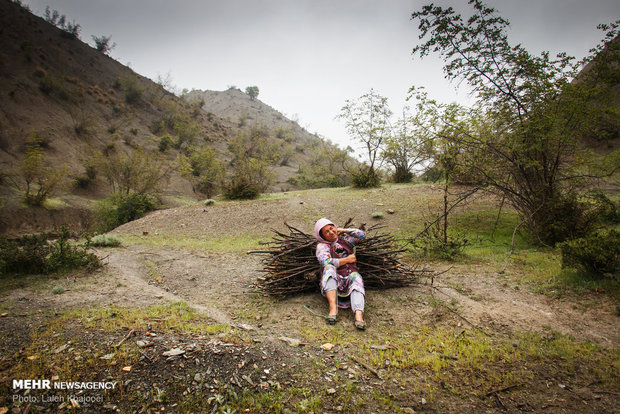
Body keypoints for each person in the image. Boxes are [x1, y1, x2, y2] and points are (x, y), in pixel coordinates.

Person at [314, 218, 366, 330]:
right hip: (334, 280)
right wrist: (346, 260)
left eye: (331, 228)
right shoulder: (322, 246)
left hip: (349, 276)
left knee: (356, 276)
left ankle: (359, 316)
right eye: (326, 232)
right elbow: (325, 261)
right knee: (329, 269)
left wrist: (343, 230)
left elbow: (362, 235)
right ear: (322, 236)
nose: (331, 232)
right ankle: (333, 310)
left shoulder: (347, 240)